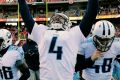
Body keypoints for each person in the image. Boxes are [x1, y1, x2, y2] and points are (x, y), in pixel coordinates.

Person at [18, 0, 99, 79]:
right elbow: (91, 14)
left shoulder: (43, 33)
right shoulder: (73, 34)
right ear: (67, 24)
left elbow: (26, 17)